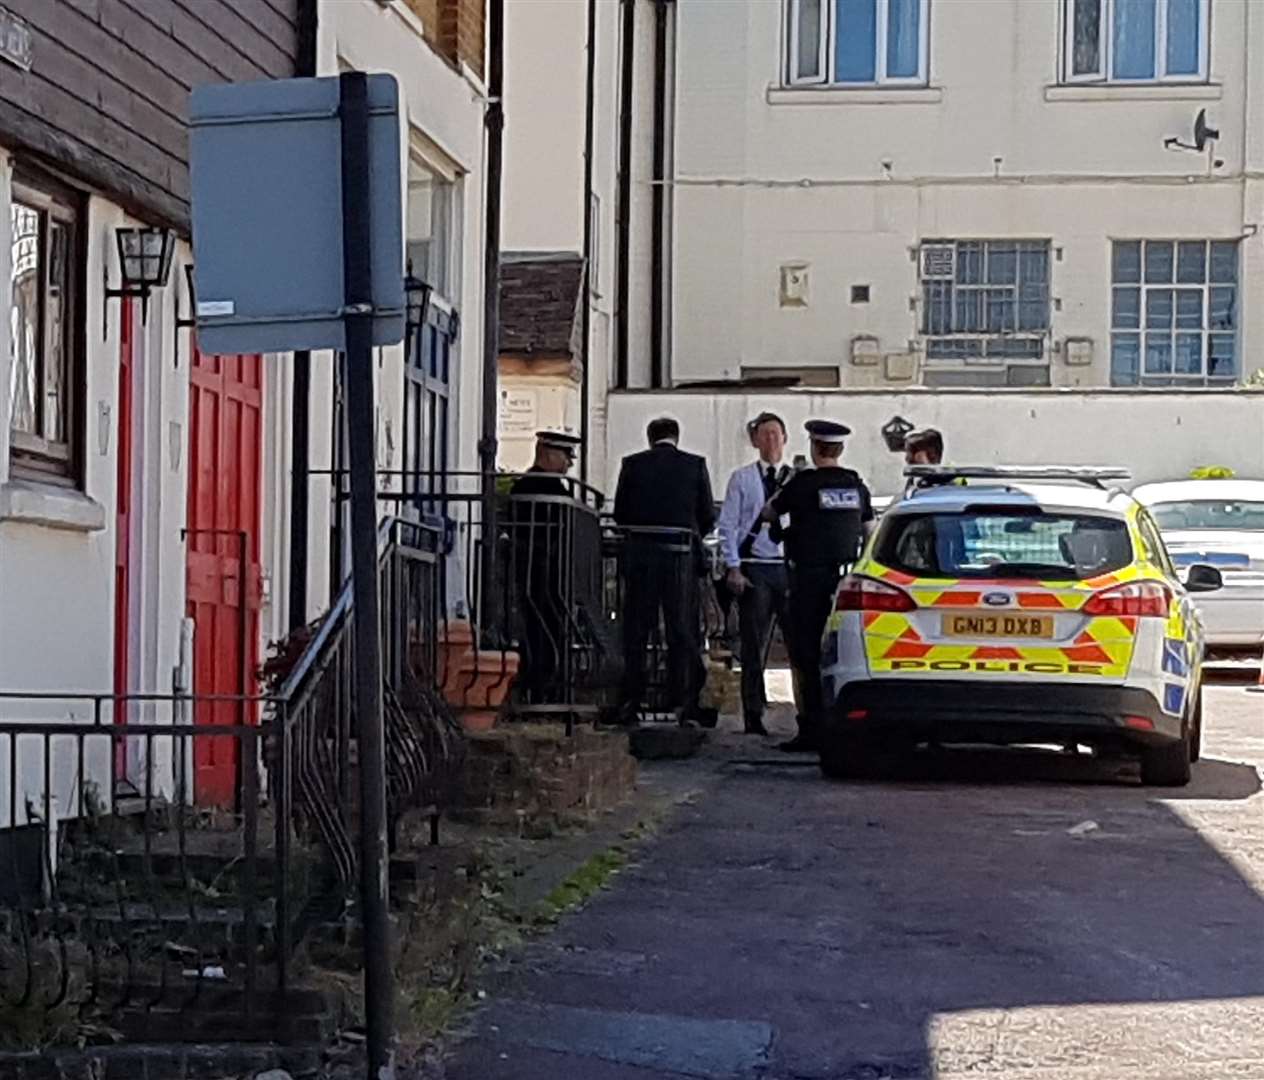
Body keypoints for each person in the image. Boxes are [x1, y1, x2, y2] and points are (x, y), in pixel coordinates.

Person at [764, 420, 875, 752]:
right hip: (847, 583)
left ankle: (811, 728)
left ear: (814, 447)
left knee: (806, 654)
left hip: (809, 580)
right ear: (839, 450)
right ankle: (841, 725)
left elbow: (769, 513)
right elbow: (870, 533)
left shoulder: (802, 484)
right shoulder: (857, 487)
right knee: (846, 653)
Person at [613, 417, 716, 725]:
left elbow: (620, 513)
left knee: (637, 629)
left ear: (650, 438)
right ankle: (683, 701)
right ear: (676, 437)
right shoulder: (695, 465)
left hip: (641, 555)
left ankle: (633, 699)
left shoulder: (632, 464)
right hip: (680, 556)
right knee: (681, 630)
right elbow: (707, 515)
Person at [717, 411, 793, 736]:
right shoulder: (742, 478)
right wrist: (733, 566)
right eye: (764, 434)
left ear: (785, 439)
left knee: (798, 645)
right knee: (752, 645)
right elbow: (728, 525)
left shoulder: (795, 479)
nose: (770, 440)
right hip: (755, 567)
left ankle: (807, 717)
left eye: (776, 434)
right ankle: (752, 714)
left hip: (787, 567)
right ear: (755, 441)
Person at [508, 431, 581, 703]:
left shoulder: (528, 485)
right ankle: (544, 687)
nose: (568, 465)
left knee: (546, 628)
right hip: (543, 572)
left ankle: (545, 685)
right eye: (565, 457)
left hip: (542, 571)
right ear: (549, 455)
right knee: (544, 630)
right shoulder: (541, 488)